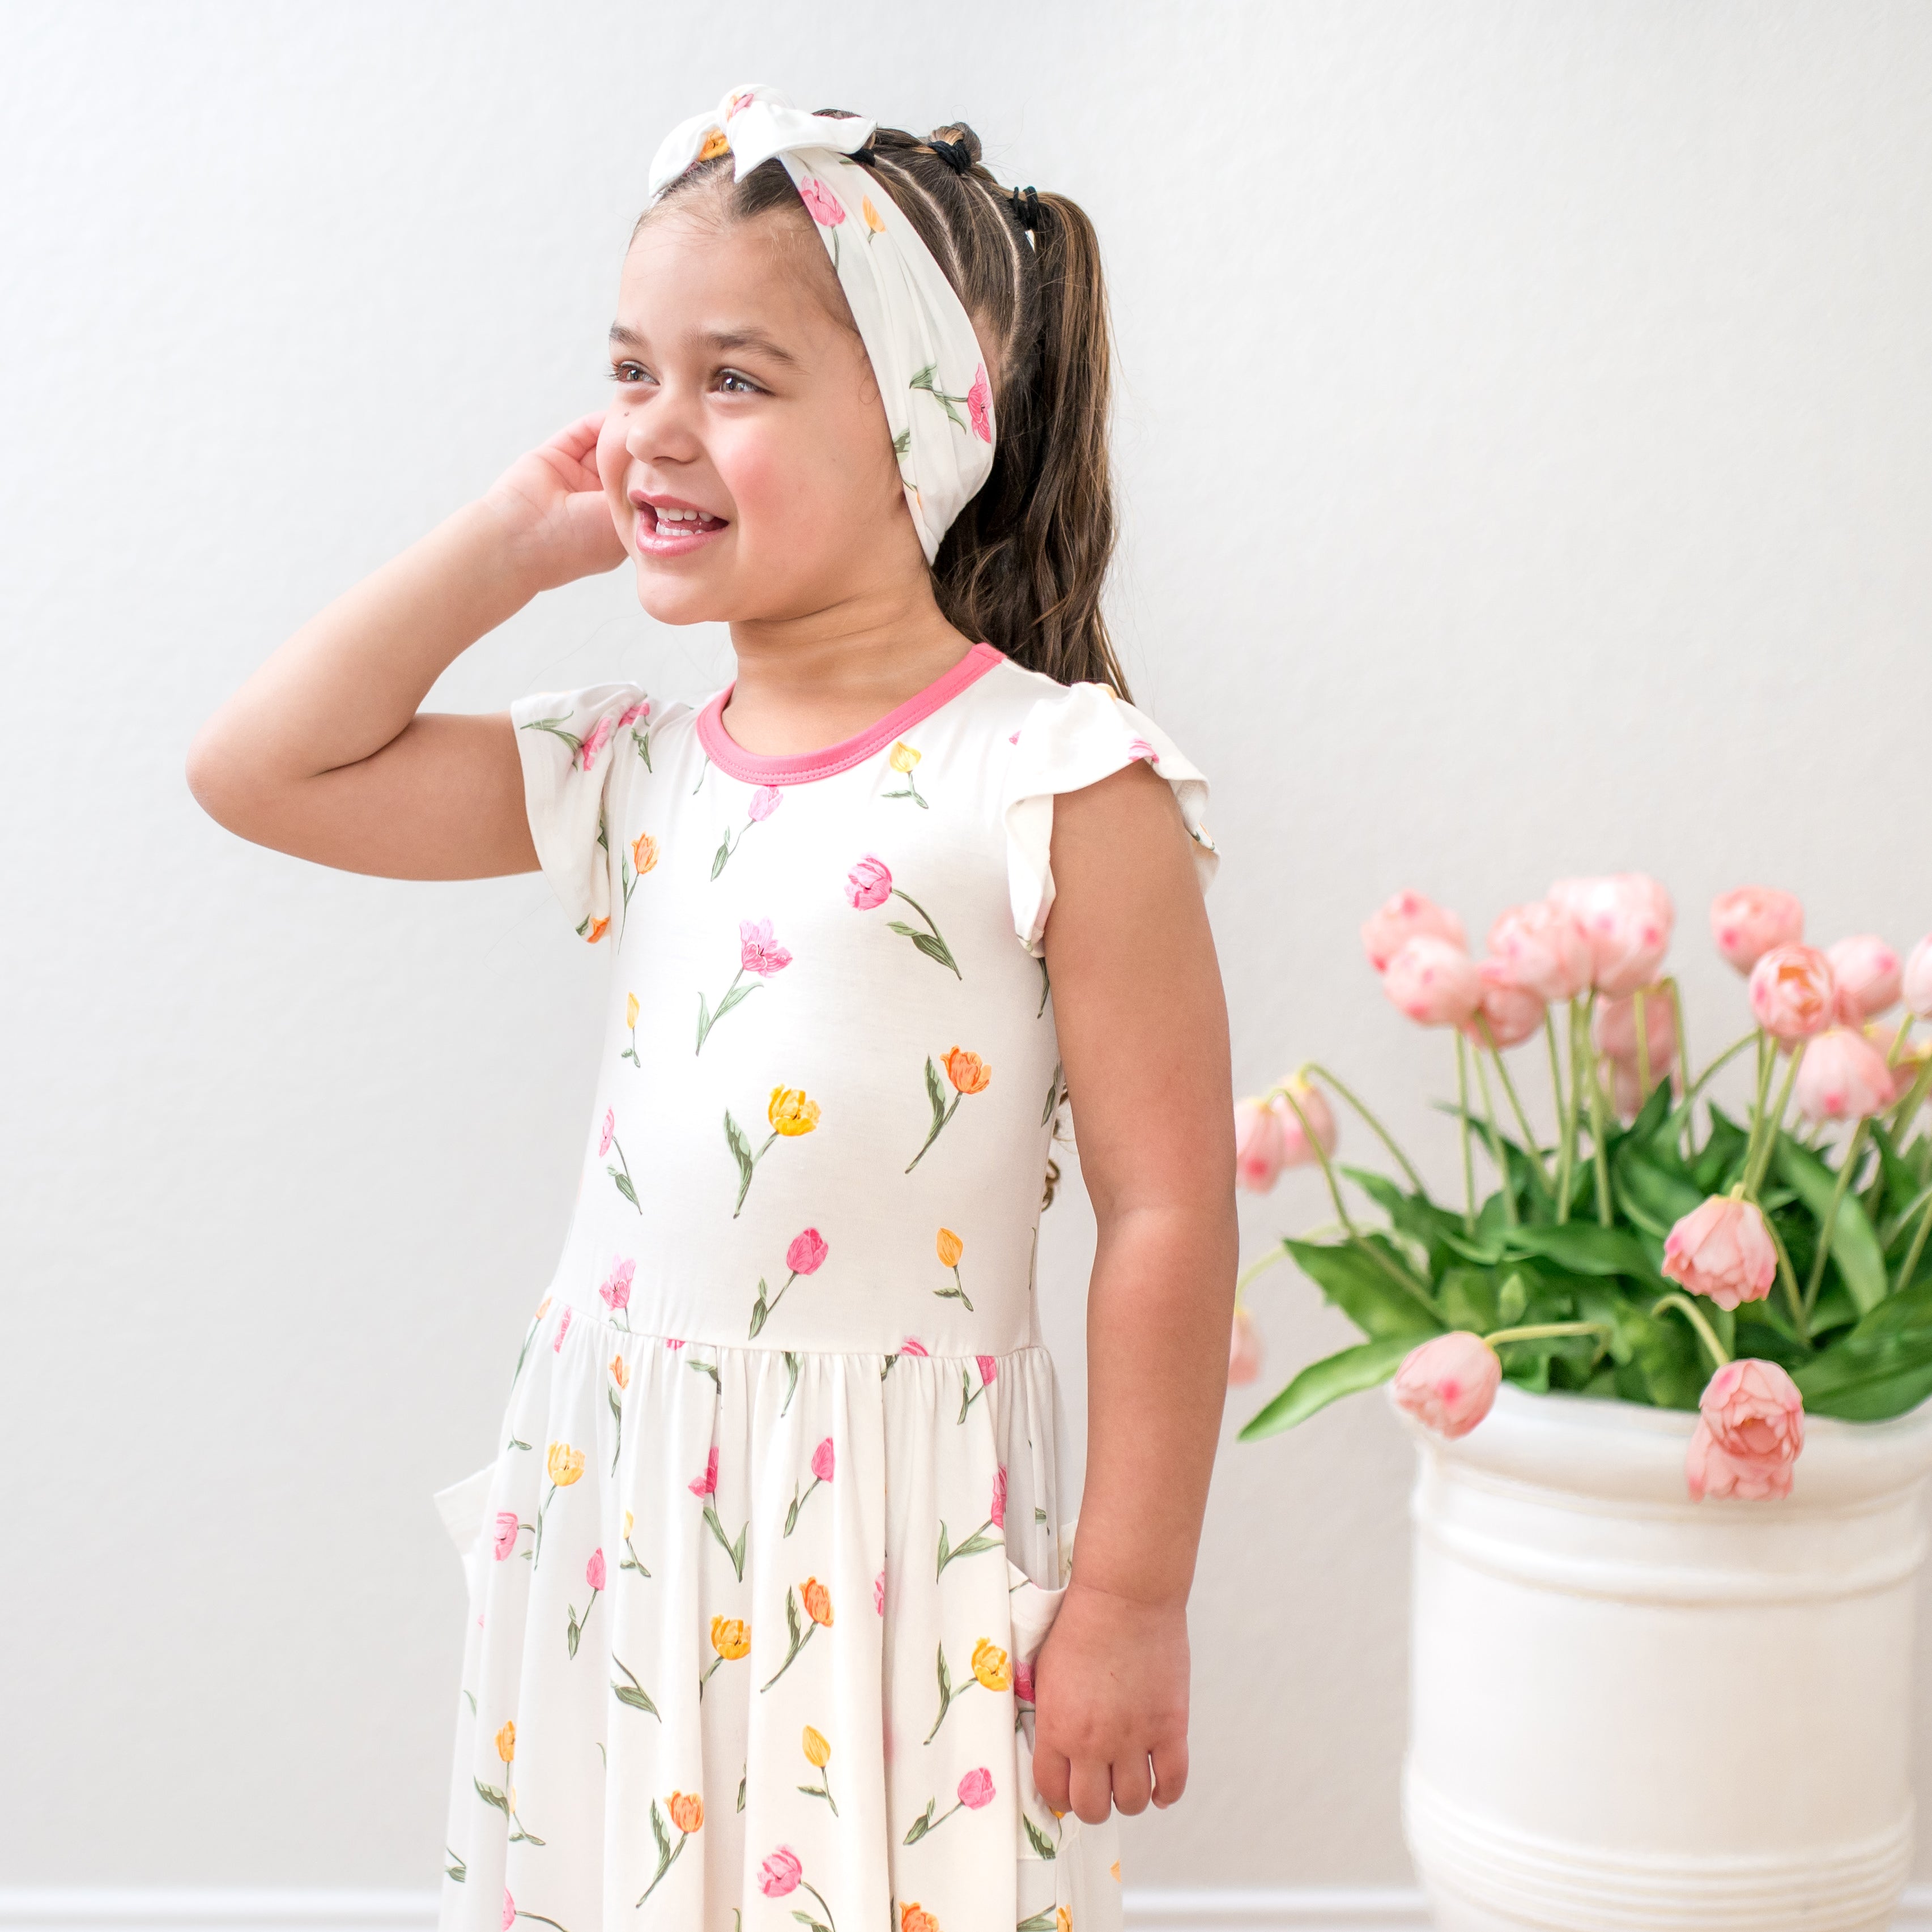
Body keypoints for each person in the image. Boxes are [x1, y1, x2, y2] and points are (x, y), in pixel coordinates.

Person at [187, 84, 1235, 1932]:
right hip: (628, 1501)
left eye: (733, 379)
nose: (649, 430)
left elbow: (1168, 1209)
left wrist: (1131, 1591)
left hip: (898, 1543)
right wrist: (517, 537)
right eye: (629, 371)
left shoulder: (1060, 778)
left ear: (920, 422)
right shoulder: (639, 767)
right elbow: (259, 768)